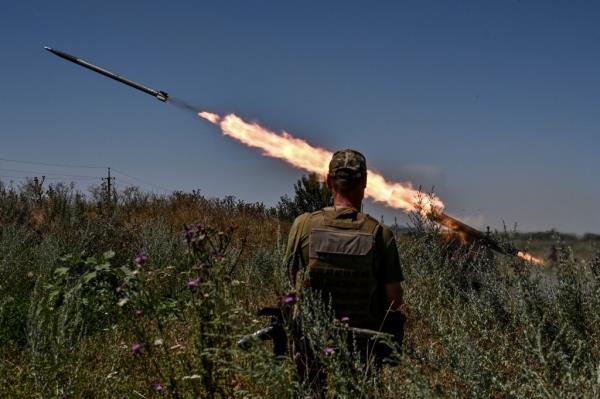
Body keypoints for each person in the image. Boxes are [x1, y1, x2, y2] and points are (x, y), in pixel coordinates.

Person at [284, 149, 405, 378]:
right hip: (362, 352)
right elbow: (394, 302)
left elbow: (289, 278)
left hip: (311, 346)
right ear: (365, 182)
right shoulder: (381, 235)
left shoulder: (303, 225)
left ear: (328, 181)